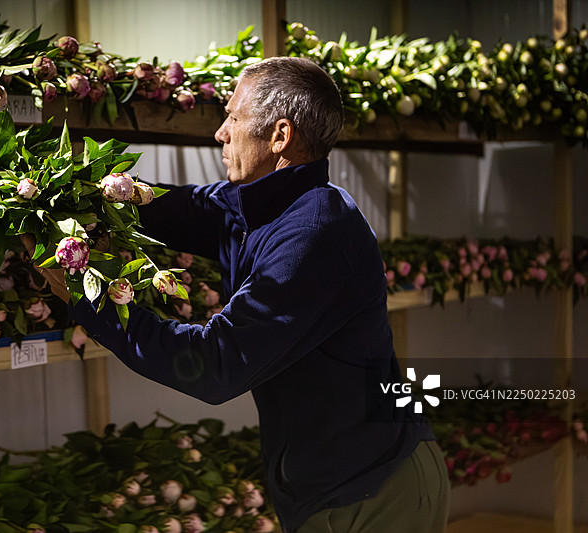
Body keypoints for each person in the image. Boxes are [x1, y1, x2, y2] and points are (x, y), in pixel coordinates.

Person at [26, 57, 449, 532]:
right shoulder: (260, 200)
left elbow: (215, 364)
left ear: (280, 137)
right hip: (342, 482)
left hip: (371, 492)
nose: (220, 133)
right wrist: (68, 196)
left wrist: (95, 304)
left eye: (232, 117)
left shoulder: (315, 234)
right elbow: (178, 209)